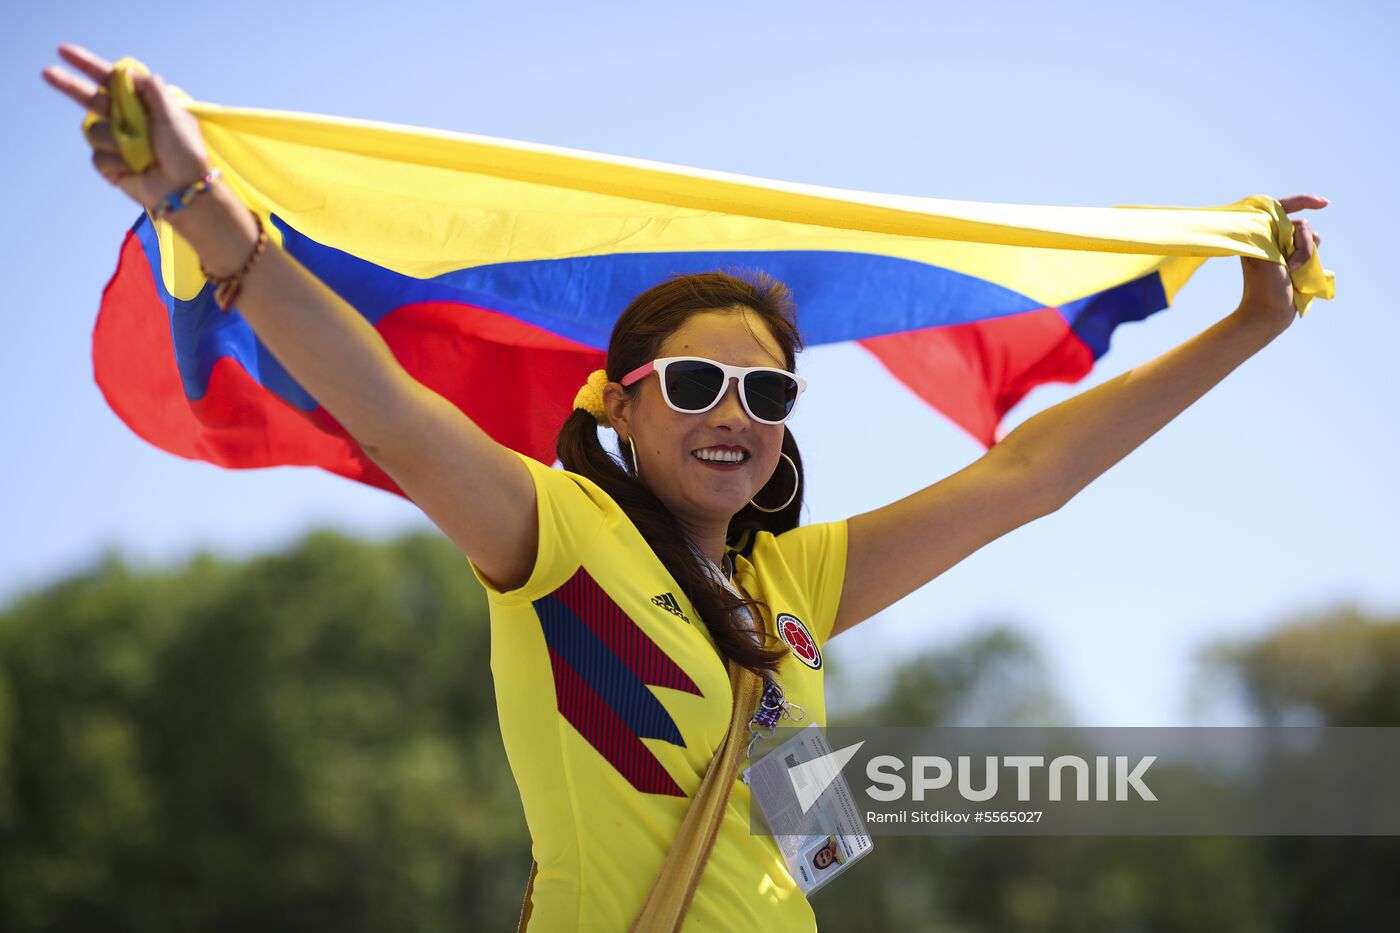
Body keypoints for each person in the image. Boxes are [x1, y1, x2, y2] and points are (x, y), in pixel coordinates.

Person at [44, 44, 1326, 931]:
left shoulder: (795, 584)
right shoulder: (553, 536)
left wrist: (1245, 326)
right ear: (616, 401)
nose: (733, 417)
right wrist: (203, 205)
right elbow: (382, 404)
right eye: (695, 383)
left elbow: (1030, 476)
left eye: (765, 395)